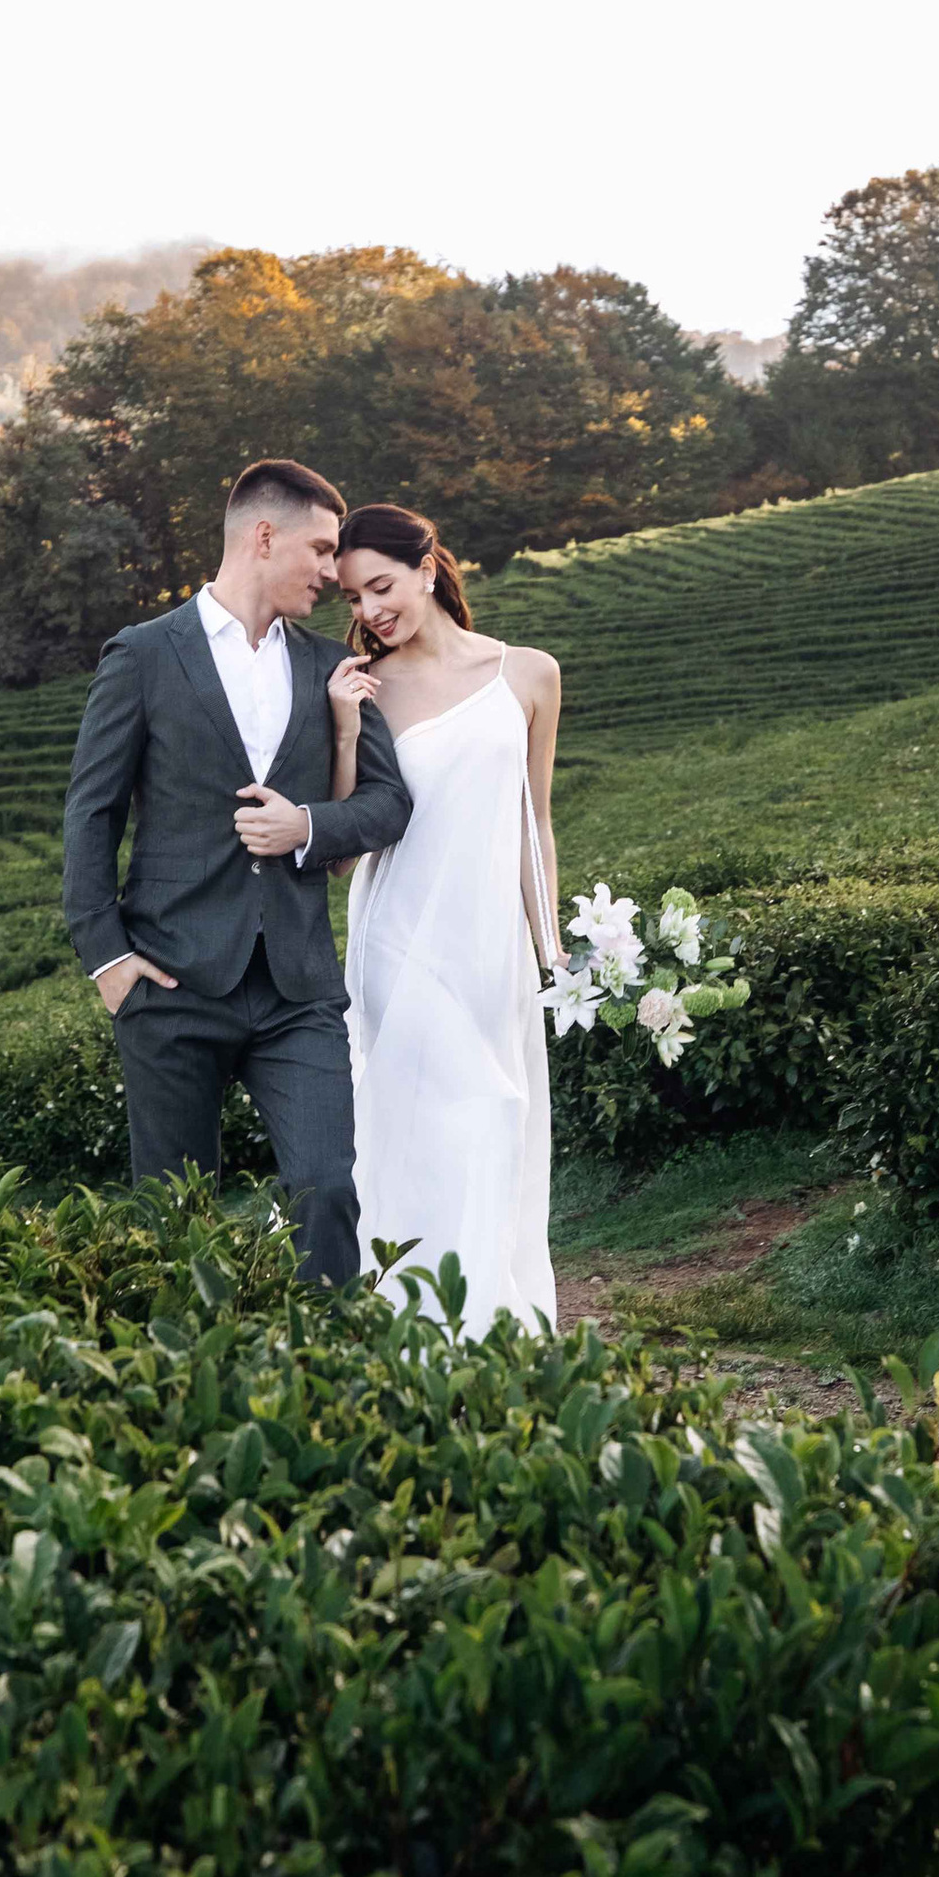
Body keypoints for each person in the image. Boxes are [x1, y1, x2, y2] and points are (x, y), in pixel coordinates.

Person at [61, 458, 413, 1284]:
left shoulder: (330, 664)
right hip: (170, 984)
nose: (336, 573)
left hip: (297, 988)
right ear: (264, 536)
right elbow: (91, 812)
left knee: (328, 1186)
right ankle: (187, 1394)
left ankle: (331, 1381)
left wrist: (308, 826)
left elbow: (389, 803)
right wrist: (107, 960)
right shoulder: (144, 654)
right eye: (323, 550)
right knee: (172, 1219)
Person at [328, 502, 563, 1335]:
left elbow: (534, 821)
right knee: (424, 1140)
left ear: (428, 568)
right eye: (352, 599)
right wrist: (348, 730)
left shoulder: (528, 673)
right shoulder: (364, 690)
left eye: (380, 587)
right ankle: (417, 1339)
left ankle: (493, 1335)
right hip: (398, 947)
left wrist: (553, 949)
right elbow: (347, 852)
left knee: (495, 1130)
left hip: (491, 952)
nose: (368, 612)